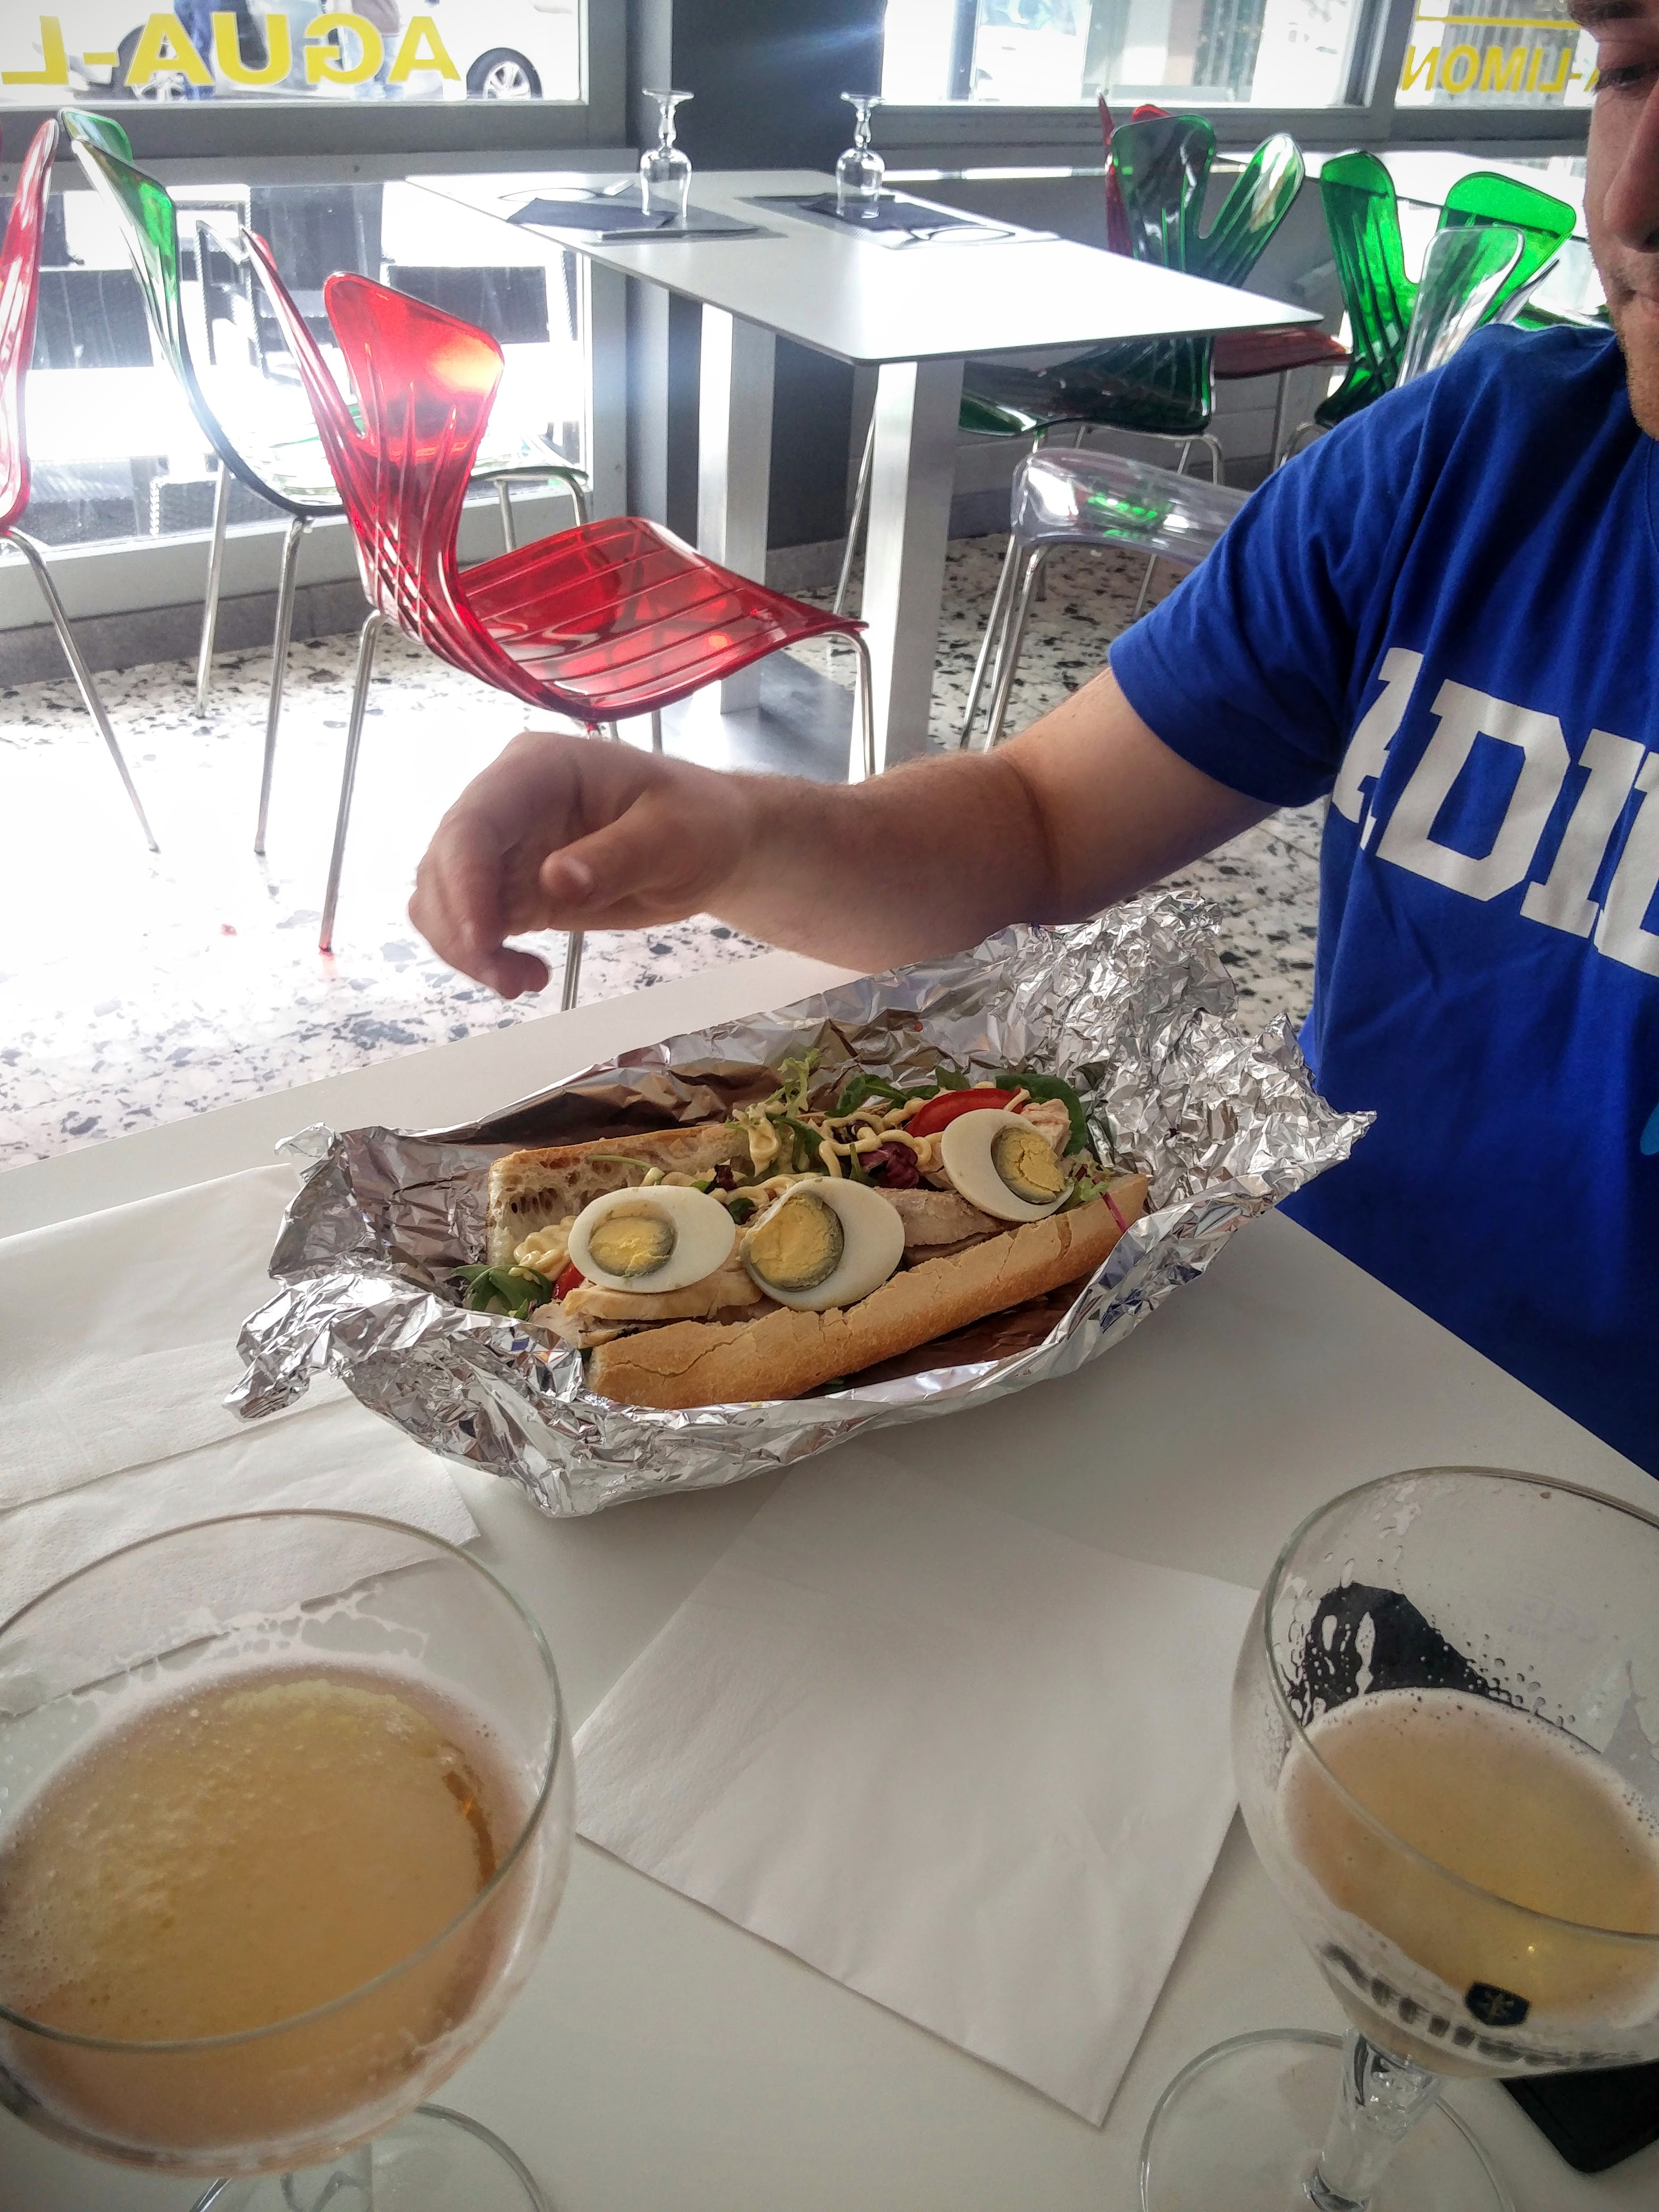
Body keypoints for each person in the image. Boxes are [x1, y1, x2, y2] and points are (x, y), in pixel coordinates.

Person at [411, 0, 1658, 1477]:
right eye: (1632, 69)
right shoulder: (1466, 466)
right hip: (1299, 1347)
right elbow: (1040, 823)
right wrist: (732, 835)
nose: (1636, 195)